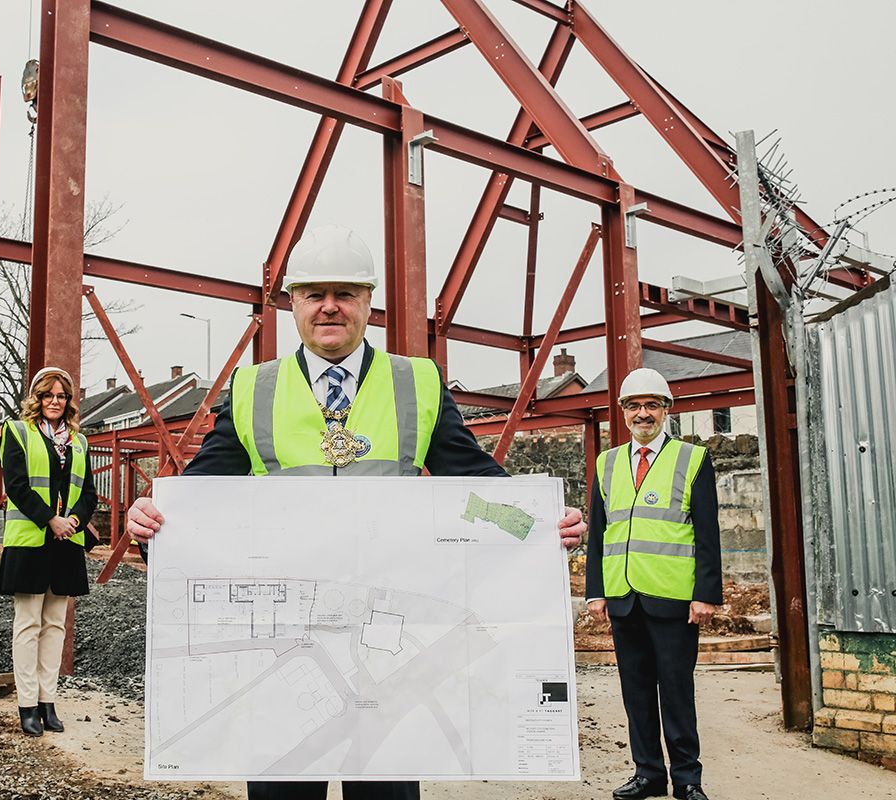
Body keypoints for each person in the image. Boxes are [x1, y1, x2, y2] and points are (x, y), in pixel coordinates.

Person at [126, 225, 587, 800]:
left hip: (387, 644)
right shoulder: (252, 388)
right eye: (313, 294)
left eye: (345, 293)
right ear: (292, 303)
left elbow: (472, 480)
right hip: (289, 639)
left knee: (387, 792)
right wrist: (154, 527)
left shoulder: (417, 382)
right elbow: (201, 497)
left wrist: (537, 524)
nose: (329, 306)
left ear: (369, 302)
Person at [585, 368, 722, 800]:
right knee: (637, 693)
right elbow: (599, 532)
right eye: (634, 406)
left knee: (677, 693)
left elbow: (707, 532)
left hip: (673, 599)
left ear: (666, 410)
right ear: (623, 413)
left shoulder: (692, 458)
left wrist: (705, 594)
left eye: (651, 405)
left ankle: (687, 779)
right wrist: (595, 590)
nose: (642, 413)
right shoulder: (607, 464)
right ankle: (648, 774)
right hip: (624, 598)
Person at [0, 366, 98, 737]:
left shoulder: (79, 441)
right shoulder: (17, 432)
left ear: (68, 401)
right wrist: (50, 521)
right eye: (48, 395)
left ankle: (47, 703)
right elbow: (17, 486)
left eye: (61, 396)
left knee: (55, 625)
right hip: (31, 541)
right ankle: (26, 706)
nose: (55, 402)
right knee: (27, 625)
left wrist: (72, 520)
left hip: (65, 543)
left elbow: (88, 492)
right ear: (36, 398)